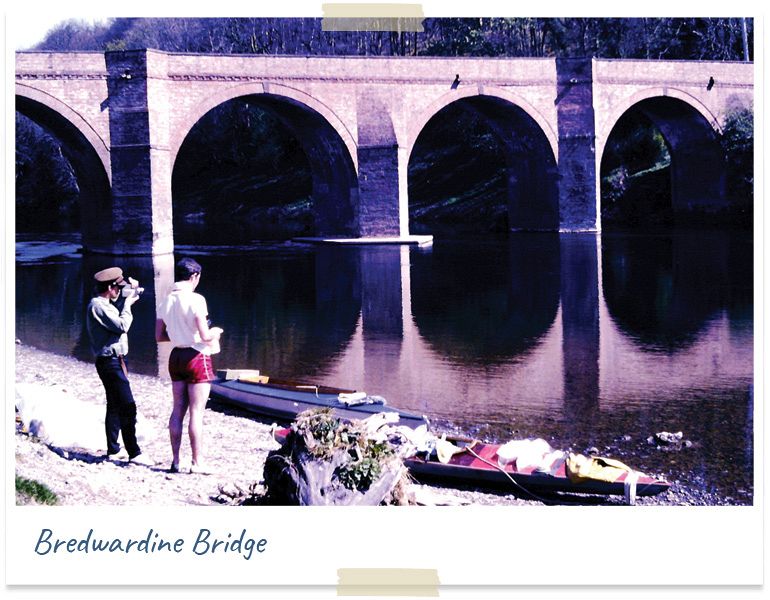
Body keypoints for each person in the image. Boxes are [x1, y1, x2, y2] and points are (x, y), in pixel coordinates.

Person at [155, 257, 223, 474]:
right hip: (196, 356)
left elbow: (159, 336)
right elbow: (204, 335)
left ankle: (176, 461)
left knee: (177, 410)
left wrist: (178, 333)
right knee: (197, 412)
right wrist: (215, 333)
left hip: (176, 357)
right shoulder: (197, 300)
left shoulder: (165, 301)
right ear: (194, 276)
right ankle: (197, 463)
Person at [86, 267, 151, 465]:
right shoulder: (98, 306)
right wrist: (129, 304)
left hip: (115, 361)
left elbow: (117, 320)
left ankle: (113, 449)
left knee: (114, 406)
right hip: (110, 362)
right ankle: (135, 453)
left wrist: (130, 296)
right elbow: (122, 325)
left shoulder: (106, 304)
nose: (120, 291)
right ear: (110, 287)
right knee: (128, 406)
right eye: (118, 288)